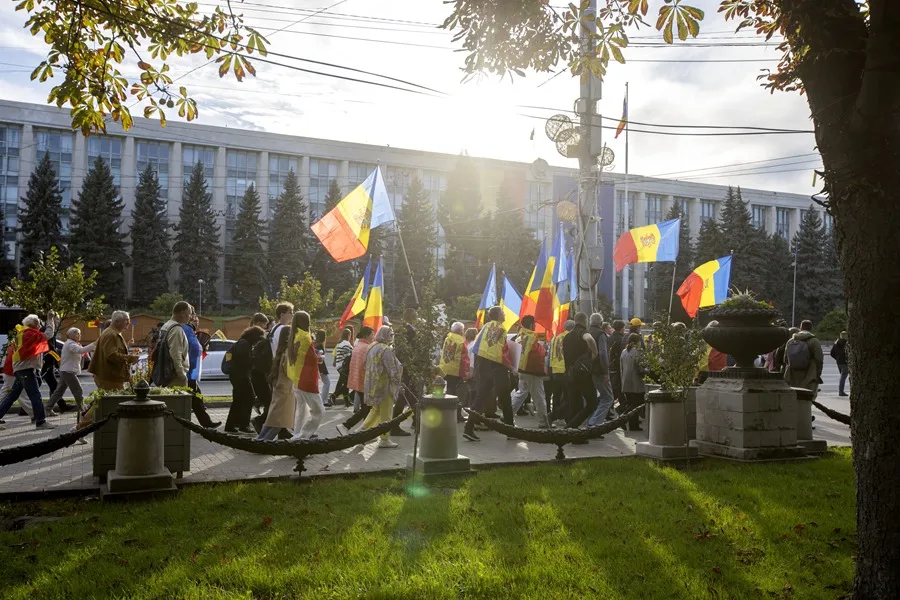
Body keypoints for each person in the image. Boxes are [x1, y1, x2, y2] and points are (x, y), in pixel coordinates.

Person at [463, 306, 513, 442]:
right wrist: (511, 367)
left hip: (483, 365)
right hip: (497, 366)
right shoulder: (501, 329)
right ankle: (511, 430)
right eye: (503, 312)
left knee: (480, 397)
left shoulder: (484, 328)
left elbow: (477, 347)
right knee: (505, 397)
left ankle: (468, 427)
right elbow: (503, 351)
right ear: (499, 315)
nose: (504, 314)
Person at [0, 315, 57, 429]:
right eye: (39, 324)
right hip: (26, 369)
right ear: (35, 324)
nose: (40, 326)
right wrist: (50, 319)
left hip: (20, 369)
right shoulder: (30, 333)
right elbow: (48, 334)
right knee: (35, 395)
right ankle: (40, 421)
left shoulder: (22, 333)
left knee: (12, 395)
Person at [361, 325, 404, 448]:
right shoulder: (386, 350)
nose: (392, 337)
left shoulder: (371, 346)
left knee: (376, 410)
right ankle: (384, 439)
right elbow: (392, 369)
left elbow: (364, 364)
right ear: (385, 335)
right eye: (391, 335)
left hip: (373, 384)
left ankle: (361, 433)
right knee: (386, 413)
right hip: (385, 386)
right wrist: (398, 382)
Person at [47, 327, 95, 432]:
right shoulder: (70, 344)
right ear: (71, 335)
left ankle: (47, 409)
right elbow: (81, 351)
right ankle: (84, 409)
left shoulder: (72, 344)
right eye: (77, 334)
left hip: (66, 370)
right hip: (68, 371)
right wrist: (93, 344)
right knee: (78, 390)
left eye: (79, 333)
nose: (79, 335)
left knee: (58, 392)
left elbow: (80, 352)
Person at [256, 319, 296, 441]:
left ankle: (261, 439)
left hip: (280, 389)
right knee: (279, 421)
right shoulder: (287, 354)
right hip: (286, 391)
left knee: (273, 419)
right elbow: (290, 373)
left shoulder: (280, 351)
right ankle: (263, 442)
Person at [287, 311, 325, 440]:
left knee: (301, 411)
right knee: (319, 411)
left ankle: (297, 434)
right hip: (306, 379)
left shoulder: (294, 335)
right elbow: (311, 359)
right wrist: (319, 357)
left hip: (296, 378)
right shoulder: (305, 336)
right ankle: (301, 437)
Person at [562, 313, 599, 436]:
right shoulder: (582, 332)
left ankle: (573, 434)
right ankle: (571, 426)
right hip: (582, 374)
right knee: (592, 403)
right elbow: (589, 339)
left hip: (569, 374)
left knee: (574, 404)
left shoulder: (567, 336)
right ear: (585, 320)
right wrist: (594, 353)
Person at [225, 326, 266, 434]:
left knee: (238, 400)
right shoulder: (245, 344)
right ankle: (244, 425)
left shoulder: (241, 342)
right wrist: (255, 361)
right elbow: (246, 361)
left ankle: (231, 425)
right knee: (249, 397)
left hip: (236, 375)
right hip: (241, 376)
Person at [510, 316, 549, 428]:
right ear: (532, 324)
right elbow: (537, 355)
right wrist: (543, 350)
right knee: (539, 396)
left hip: (521, 369)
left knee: (521, 393)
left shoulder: (520, 336)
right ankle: (543, 421)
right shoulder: (531, 337)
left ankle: (508, 414)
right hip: (532, 371)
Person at [184, 311, 220, 429]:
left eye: (198, 320)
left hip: (191, 372)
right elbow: (192, 349)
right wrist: (201, 347)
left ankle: (206, 423)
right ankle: (205, 423)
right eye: (195, 320)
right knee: (195, 398)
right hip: (188, 371)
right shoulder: (186, 330)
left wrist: (202, 347)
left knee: (197, 397)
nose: (197, 322)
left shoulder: (191, 331)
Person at [336, 326, 374, 435]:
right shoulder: (367, 347)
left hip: (357, 380)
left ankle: (365, 433)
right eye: (372, 334)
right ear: (366, 335)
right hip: (364, 382)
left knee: (366, 407)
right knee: (367, 408)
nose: (373, 337)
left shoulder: (358, 345)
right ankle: (346, 425)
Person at [88, 310, 138, 390]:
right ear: (117, 321)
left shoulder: (112, 333)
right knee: (115, 401)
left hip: (109, 376)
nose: (128, 324)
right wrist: (131, 358)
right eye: (127, 321)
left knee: (111, 400)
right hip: (109, 377)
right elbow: (112, 355)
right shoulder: (112, 335)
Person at [586, 313, 615, 427]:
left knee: (593, 397)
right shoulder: (601, 334)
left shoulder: (586, 333)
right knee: (608, 397)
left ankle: (590, 420)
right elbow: (603, 354)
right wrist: (605, 372)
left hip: (587, 369)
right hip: (598, 370)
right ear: (601, 323)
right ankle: (594, 423)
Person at [439, 322, 471, 422]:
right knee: (458, 394)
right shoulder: (461, 341)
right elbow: (463, 358)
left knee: (449, 391)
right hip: (456, 370)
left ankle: (448, 414)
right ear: (461, 331)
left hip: (446, 368)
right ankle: (455, 415)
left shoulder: (448, 337)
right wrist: (466, 372)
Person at [784, 319, 824, 397]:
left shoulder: (791, 341)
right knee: (807, 397)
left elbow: (785, 358)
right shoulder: (814, 341)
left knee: (794, 396)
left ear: (800, 328)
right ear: (811, 328)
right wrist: (818, 373)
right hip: (809, 373)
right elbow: (819, 359)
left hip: (792, 373)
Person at [159, 301, 192, 388]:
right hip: (175, 376)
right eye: (189, 313)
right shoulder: (176, 329)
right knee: (178, 401)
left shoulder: (166, 326)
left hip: (166, 373)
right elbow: (175, 353)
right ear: (182, 313)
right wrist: (181, 374)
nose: (190, 317)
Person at [547, 320, 574, 423]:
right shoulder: (571, 337)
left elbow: (550, 355)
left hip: (555, 370)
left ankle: (554, 416)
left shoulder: (555, 338)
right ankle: (564, 417)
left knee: (556, 396)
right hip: (566, 370)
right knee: (567, 396)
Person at [249, 312, 273, 424]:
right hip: (259, 374)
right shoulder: (258, 338)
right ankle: (259, 421)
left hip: (255, 373)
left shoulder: (251, 335)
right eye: (265, 324)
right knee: (270, 401)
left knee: (268, 400)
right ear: (258, 323)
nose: (266, 327)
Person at [620, 333, 646, 431]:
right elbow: (641, 367)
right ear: (637, 341)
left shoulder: (624, 352)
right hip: (636, 382)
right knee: (637, 404)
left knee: (631, 403)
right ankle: (624, 419)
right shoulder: (639, 351)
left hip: (626, 382)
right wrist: (647, 371)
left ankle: (632, 424)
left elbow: (621, 367)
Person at [331, 327, 354, 406]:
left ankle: (346, 401)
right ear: (348, 335)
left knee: (345, 383)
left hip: (339, 365)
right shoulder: (347, 344)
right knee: (347, 384)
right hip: (344, 367)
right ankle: (334, 395)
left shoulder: (340, 343)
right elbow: (348, 356)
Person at [314, 329, 332, 408]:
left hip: (319, 367)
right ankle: (323, 401)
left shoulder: (316, 343)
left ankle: (323, 400)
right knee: (327, 383)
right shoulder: (320, 345)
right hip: (321, 367)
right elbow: (319, 358)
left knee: (325, 383)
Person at [830, 330, 850, 396]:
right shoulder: (847, 343)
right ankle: (841, 391)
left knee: (842, 376)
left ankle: (841, 391)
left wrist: (837, 358)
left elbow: (831, 353)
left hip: (839, 362)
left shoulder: (836, 342)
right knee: (843, 376)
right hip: (845, 361)